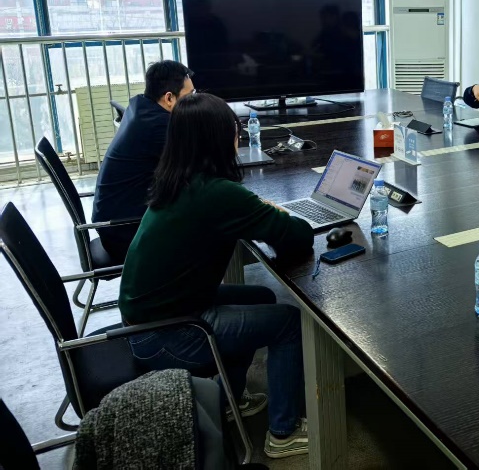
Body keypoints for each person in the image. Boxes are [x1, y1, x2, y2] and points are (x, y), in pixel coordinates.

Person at [117, 93, 314, 459]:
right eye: (234, 131)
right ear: (220, 140)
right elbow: (297, 237)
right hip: (166, 333)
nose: (238, 138)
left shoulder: (177, 180)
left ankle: (228, 400)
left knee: (261, 298)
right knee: (289, 322)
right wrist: (274, 213)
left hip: (148, 317)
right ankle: (284, 432)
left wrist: (256, 211)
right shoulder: (217, 193)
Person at [92, 60, 194, 261]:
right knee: (210, 222)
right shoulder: (159, 126)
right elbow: (200, 166)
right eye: (189, 96)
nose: (194, 101)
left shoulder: (140, 108)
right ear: (169, 98)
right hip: (126, 232)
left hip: (113, 223)